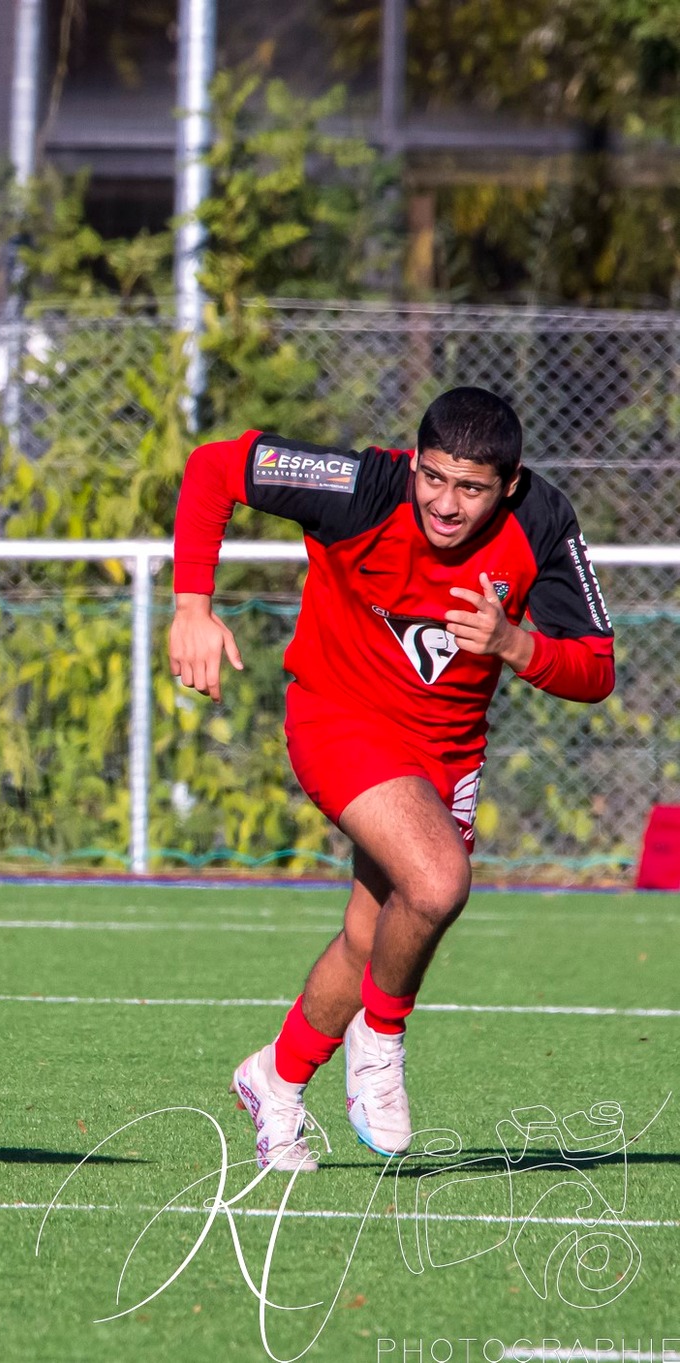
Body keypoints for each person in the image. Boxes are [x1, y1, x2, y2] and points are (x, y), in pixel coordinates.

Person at [170, 387, 614, 1170]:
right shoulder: (359, 488)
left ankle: (274, 1080)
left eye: (470, 487)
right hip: (337, 718)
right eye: (434, 477)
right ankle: (380, 1040)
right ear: (415, 461)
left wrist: (516, 644)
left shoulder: (542, 519)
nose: (446, 503)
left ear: (508, 485)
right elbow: (214, 468)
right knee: (440, 881)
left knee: (373, 933)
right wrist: (192, 607)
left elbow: (596, 669)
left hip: (446, 754)